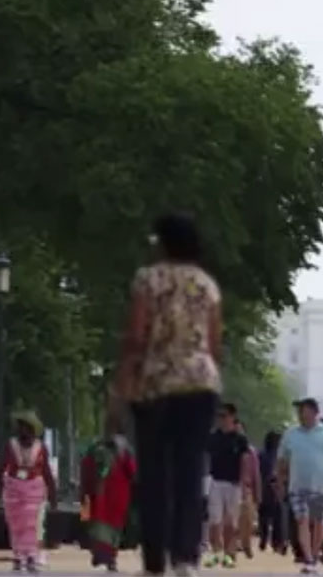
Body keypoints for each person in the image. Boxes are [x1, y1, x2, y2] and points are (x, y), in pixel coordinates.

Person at [115, 213, 223, 577]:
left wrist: (125, 379)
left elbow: (136, 335)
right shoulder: (206, 285)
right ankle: (186, 558)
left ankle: (155, 561)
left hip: (156, 383)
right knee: (190, 472)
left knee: (154, 474)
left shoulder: (149, 280)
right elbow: (213, 342)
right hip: (199, 382)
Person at [277, 399, 323, 575]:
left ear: (314, 412)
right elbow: (282, 461)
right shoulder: (290, 434)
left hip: (321, 486)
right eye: (299, 411)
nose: (300, 414)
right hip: (297, 486)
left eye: (303, 410)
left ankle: (315, 554)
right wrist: (280, 481)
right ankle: (308, 557)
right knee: (302, 520)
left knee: (319, 522)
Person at [0, 410, 58, 574]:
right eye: (19, 427)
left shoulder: (41, 447)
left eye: (24, 427)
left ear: (32, 429)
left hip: (34, 490)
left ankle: (31, 556)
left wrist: (53, 495)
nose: (21, 430)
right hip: (13, 489)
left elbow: (46, 471)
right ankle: (18, 556)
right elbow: (1, 466)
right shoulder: (11, 445)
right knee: (16, 524)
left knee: (32, 525)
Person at [81, 411, 138, 572]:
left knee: (110, 528)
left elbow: (132, 471)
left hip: (114, 493)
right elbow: (87, 466)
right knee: (102, 527)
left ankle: (108, 557)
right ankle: (104, 555)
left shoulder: (120, 448)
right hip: (102, 493)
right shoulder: (101, 446)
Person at [203, 403, 252, 568]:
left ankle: (229, 554)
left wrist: (245, 484)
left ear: (232, 417)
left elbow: (245, 461)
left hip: (234, 483)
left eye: (224, 416)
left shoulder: (240, 439)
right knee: (214, 519)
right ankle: (216, 552)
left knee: (231, 521)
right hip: (216, 481)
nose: (221, 419)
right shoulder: (213, 437)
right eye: (219, 416)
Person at [235, 419, 262, 560]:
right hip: (232, 487)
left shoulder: (250, 451)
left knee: (248, 519)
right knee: (234, 518)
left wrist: (258, 494)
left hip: (247, 489)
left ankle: (246, 544)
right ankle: (235, 545)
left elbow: (256, 473)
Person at [257, 430, 287, 554]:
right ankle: (276, 542)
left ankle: (265, 540)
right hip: (273, 488)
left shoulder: (262, 454)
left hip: (265, 489)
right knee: (277, 517)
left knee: (264, 517)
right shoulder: (277, 455)